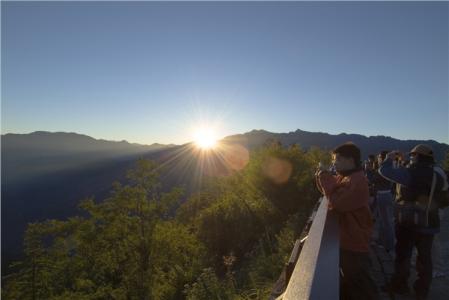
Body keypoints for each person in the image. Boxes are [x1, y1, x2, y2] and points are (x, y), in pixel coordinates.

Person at [379, 144, 446, 300]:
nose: (410, 158)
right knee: (425, 259)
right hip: (430, 223)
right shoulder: (439, 174)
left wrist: (389, 159)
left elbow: (385, 171)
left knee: (403, 255)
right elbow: (444, 198)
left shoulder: (411, 173)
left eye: (412, 156)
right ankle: (422, 291)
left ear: (417, 156)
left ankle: (400, 285)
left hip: (408, 223)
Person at [316, 142, 379, 300]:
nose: (334, 163)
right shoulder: (346, 177)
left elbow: (339, 203)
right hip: (347, 239)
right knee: (350, 282)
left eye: (337, 160)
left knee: (361, 285)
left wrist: (325, 177)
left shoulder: (357, 180)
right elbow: (329, 192)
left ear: (350, 160)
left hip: (355, 241)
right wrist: (321, 176)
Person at [372, 151, 395, 251]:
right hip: (383, 195)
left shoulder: (385, 168)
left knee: (387, 222)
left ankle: (389, 245)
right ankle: (381, 241)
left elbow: (375, 179)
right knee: (382, 220)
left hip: (384, 195)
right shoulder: (387, 167)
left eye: (380, 157)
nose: (378, 159)